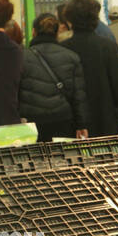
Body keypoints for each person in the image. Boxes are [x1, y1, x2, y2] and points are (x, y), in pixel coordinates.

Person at [60, 0, 118, 138]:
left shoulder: (63, 49)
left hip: (74, 125)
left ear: (70, 19)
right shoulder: (108, 47)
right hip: (106, 119)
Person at [18, 12, 88, 142]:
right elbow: (79, 96)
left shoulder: (22, 57)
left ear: (33, 32)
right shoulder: (71, 57)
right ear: (57, 33)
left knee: (35, 160)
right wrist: (81, 125)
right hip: (63, 120)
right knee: (62, 159)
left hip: (32, 123)